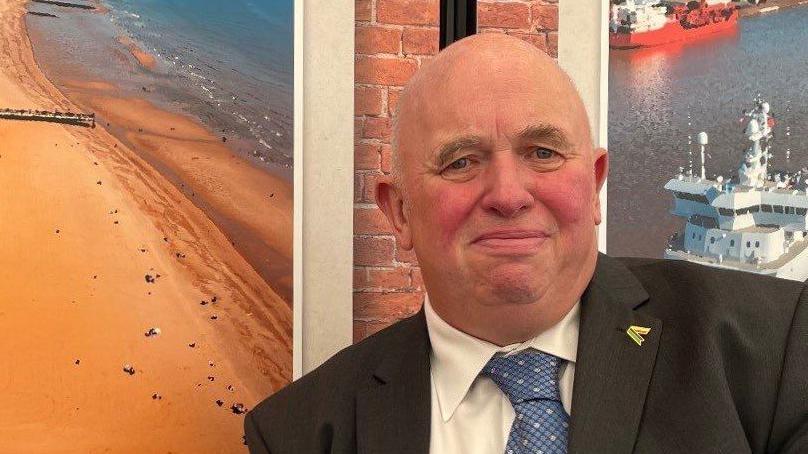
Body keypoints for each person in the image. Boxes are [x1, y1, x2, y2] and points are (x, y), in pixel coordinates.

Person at [244, 33, 808, 453]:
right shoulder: (299, 435)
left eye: (542, 152)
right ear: (399, 211)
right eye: (461, 162)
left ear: (594, 186)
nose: (509, 195)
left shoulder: (775, 353)